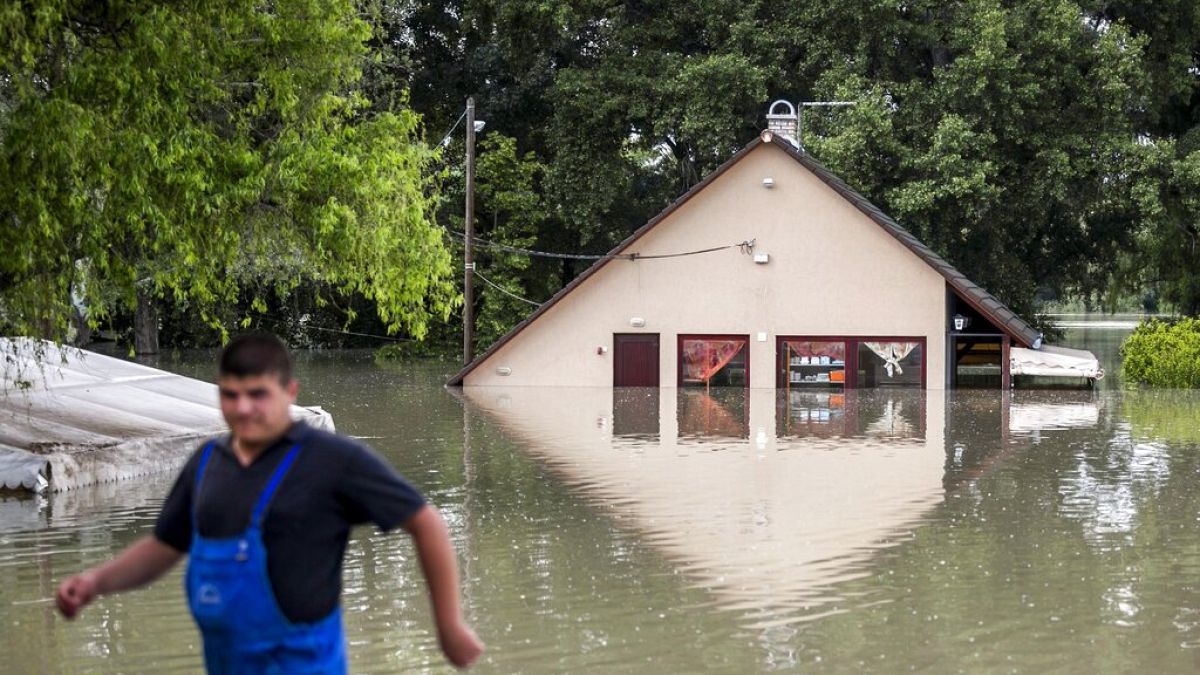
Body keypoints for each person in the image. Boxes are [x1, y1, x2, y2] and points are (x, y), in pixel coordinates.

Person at [55, 333, 484, 672]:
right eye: (230, 394)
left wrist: (448, 625)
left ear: (289, 391)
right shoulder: (207, 463)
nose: (243, 408)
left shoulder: (334, 460)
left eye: (257, 394)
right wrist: (95, 582)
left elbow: (426, 522)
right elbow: (164, 546)